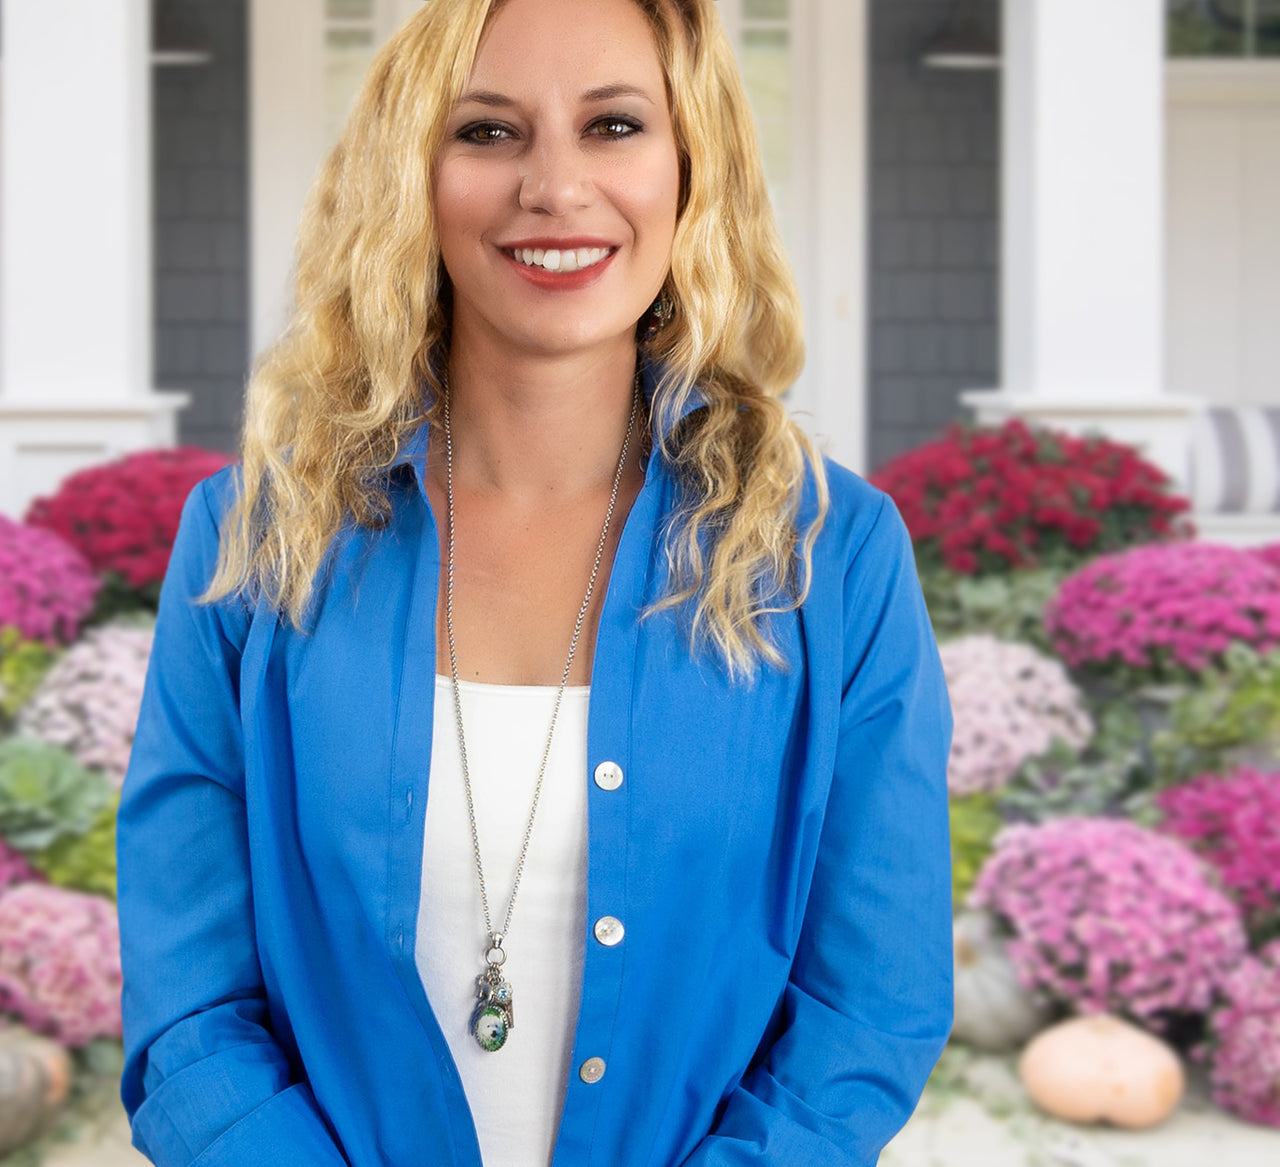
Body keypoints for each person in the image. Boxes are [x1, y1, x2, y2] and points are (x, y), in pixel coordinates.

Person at [116, 0, 954, 1164]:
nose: (554, 187)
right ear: (411, 176)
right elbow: (189, 1017)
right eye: (487, 132)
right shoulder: (253, 541)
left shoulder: (830, 554)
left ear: (689, 168)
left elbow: (869, 1010)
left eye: (613, 126)